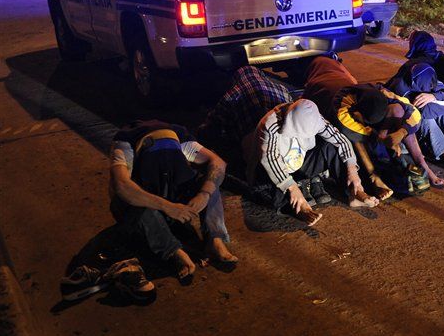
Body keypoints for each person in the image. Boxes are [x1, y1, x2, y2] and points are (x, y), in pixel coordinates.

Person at [109, 120, 236, 283]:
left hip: (173, 192)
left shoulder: (181, 137)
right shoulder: (125, 142)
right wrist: (167, 207)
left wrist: (203, 194)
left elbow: (218, 163)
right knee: (129, 201)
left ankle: (214, 240)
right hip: (148, 201)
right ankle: (174, 252)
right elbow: (122, 186)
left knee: (211, 183)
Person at [303, 55, 444, 194]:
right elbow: (356, 140)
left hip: (345, 80)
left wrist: (400, 133)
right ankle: (379, 170)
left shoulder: (380, 91)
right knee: (362, 141)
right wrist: (374, 173)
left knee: (397, 110)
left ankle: (421, 164)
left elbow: (413, 113)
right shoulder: (342, 111)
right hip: (326, 90)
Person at [246, 99, 379, 227]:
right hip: (270, 172)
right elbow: (270, 159)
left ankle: (352, 193)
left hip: (297, 164)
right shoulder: (270, 125)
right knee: (272, 192)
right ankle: (296, 207)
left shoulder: (313, 118)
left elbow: (340, 140)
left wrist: (352, 171)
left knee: (331, 148)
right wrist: (291, 187)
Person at [386, 61, 444, 176]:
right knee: (427, 118)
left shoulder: (426, 74)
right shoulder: (402, 88)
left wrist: (434, 96)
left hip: (423, 115)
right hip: (406, 133)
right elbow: (425, 111)